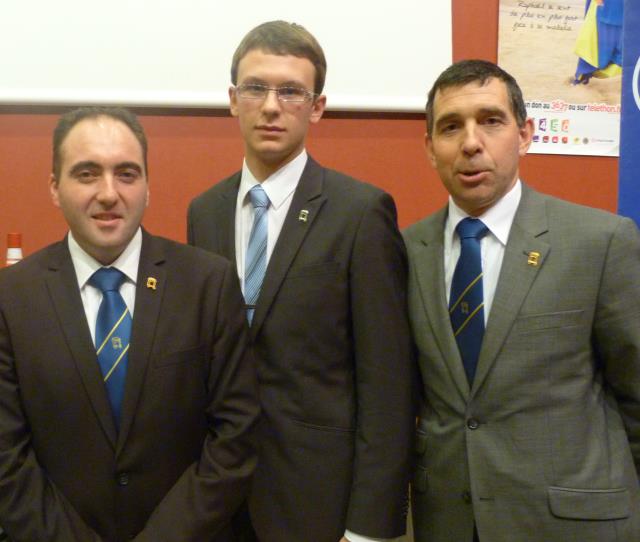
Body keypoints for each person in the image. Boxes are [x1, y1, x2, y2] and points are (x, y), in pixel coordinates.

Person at [187, 20, 415, 542]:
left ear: (316, 107)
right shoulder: (205, 211)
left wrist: (370, 527)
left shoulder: (360, 212)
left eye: (290, 91)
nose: (271, 106)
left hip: (318, 503)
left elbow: (387, 384)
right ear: (232, 99)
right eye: (256, 88)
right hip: (218, 499)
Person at [404, 59, 640, 541]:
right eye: (451, 127)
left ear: (525, 134)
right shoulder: (401, 253)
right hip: (449, 524)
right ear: (430, 148)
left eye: (491, 121)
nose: (471, 143)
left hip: (573, 525)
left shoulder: (600, 241)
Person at [0, 107, 259, 542]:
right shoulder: (12, 297)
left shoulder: (207, 284)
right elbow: (6, 453)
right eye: (86, 174)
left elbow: (235, 436)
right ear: (54, 188)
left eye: (126, 174)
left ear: (146, 186)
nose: (108, 193)